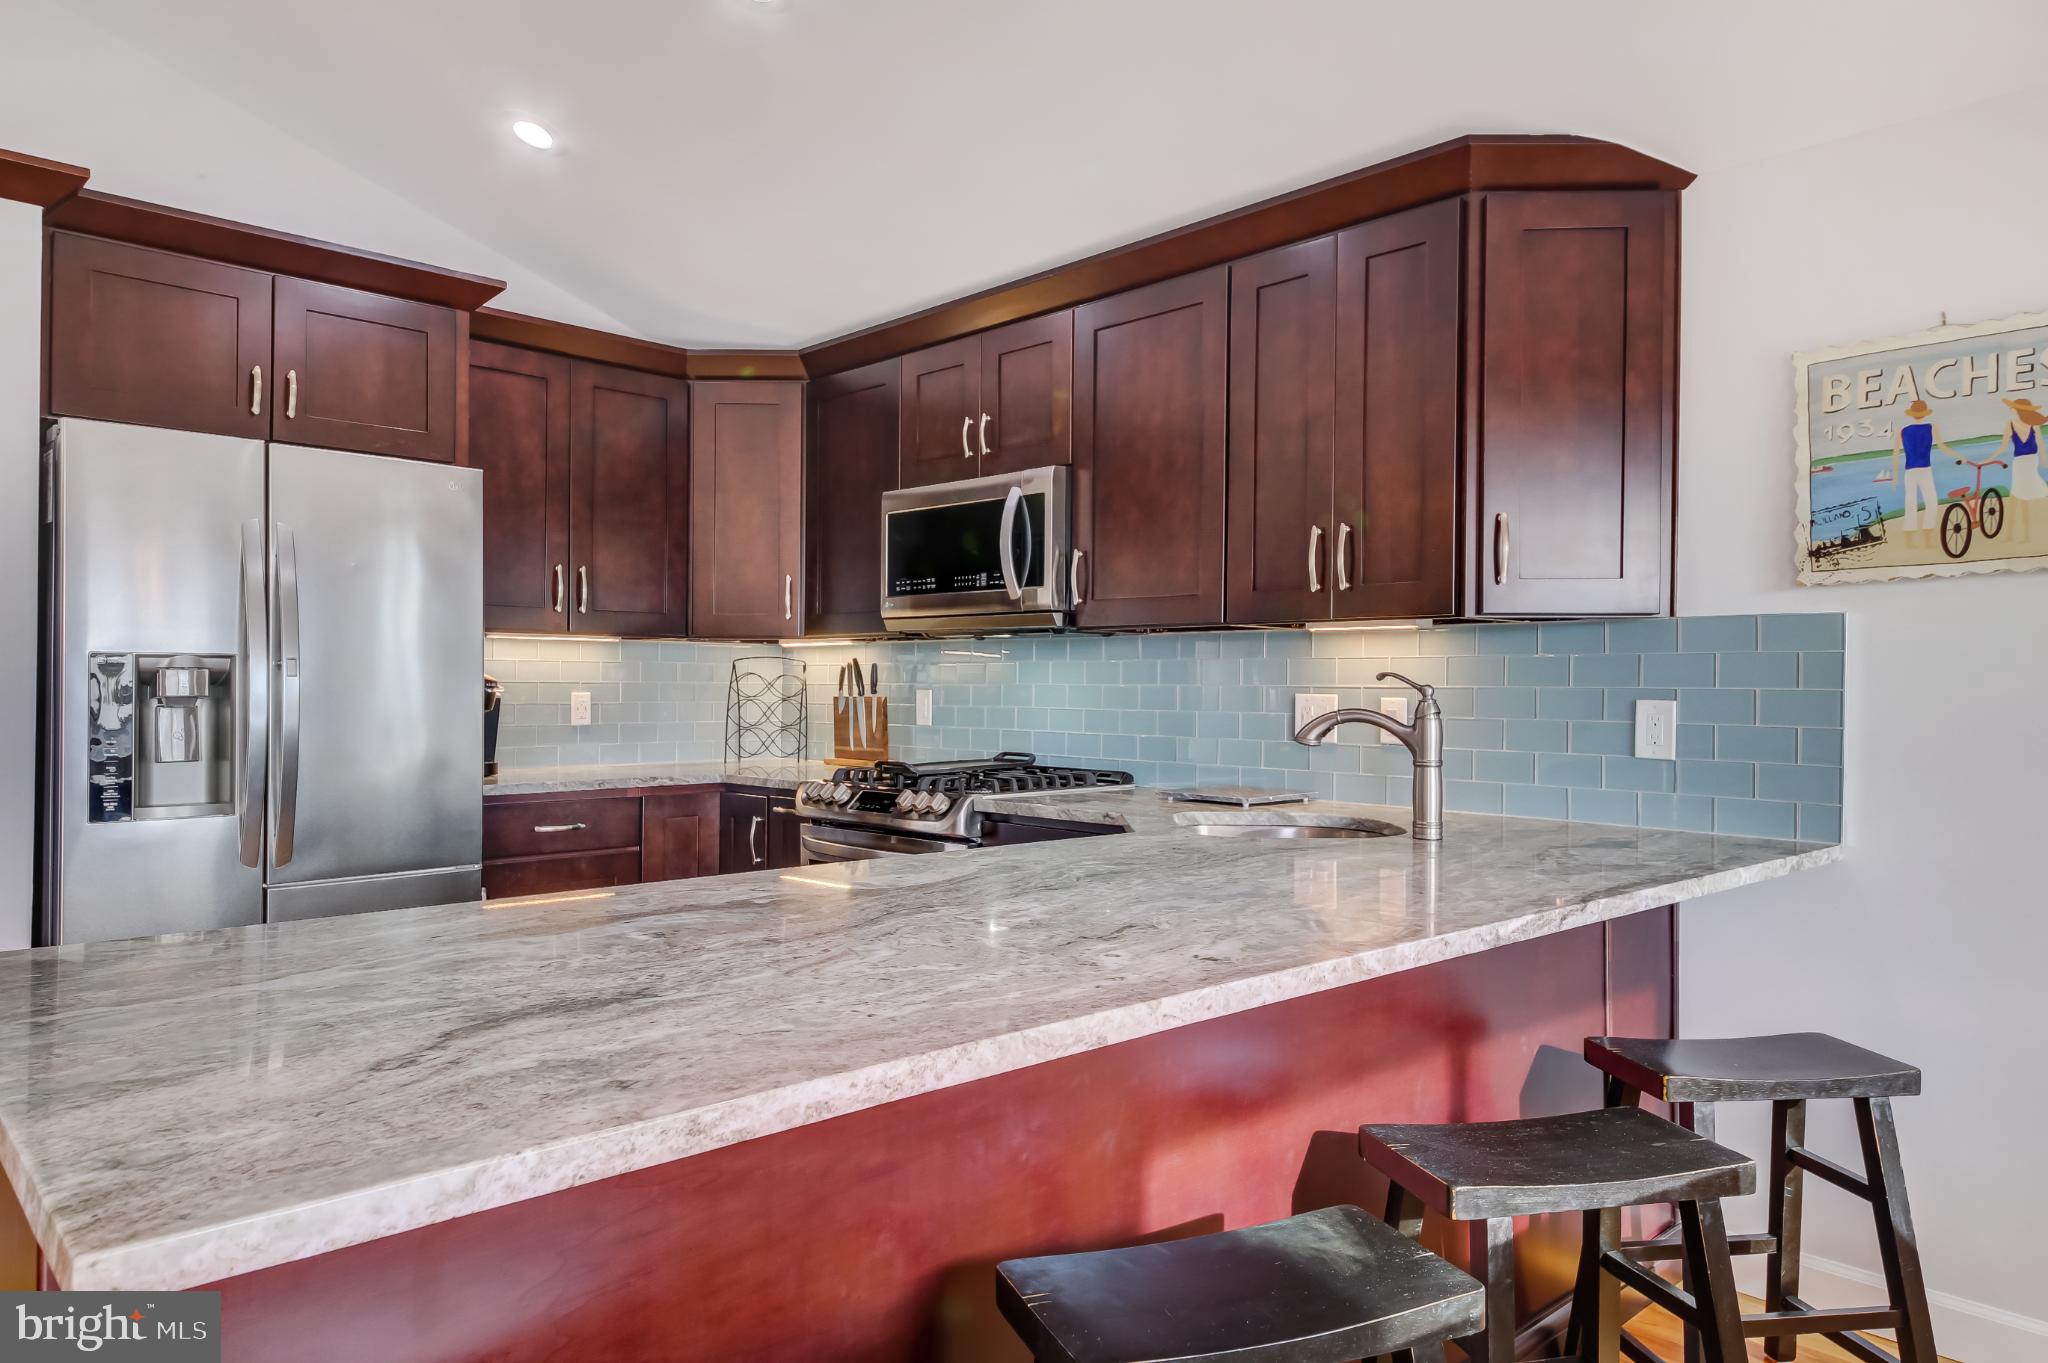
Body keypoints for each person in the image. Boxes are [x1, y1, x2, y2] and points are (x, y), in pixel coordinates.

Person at [1891, 398, 1959, 547]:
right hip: (1924, 470)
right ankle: (1927, 540)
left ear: (1912, 414)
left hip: (1910, 472)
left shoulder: (1902, 431)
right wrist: (1959, 456)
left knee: (1911, 504)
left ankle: (1910, 541)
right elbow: (1942, 447)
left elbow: (1896, 454)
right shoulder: (1931, 427)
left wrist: (1895, 476)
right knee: (1931, 502)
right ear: (1924, 413)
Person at [1998, 395, 2047, 541]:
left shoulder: (2030, 424)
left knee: (2017, 497)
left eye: (2013, 407)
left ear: (2017, 409)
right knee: (2019, 497)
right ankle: (2020, 535)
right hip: (2024, 462)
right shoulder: (2011, 423)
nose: (2011, 409)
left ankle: (2015, 535)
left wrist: (2044, 460)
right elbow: (2003, 446)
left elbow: (2040, 443)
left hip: (2025, 462)